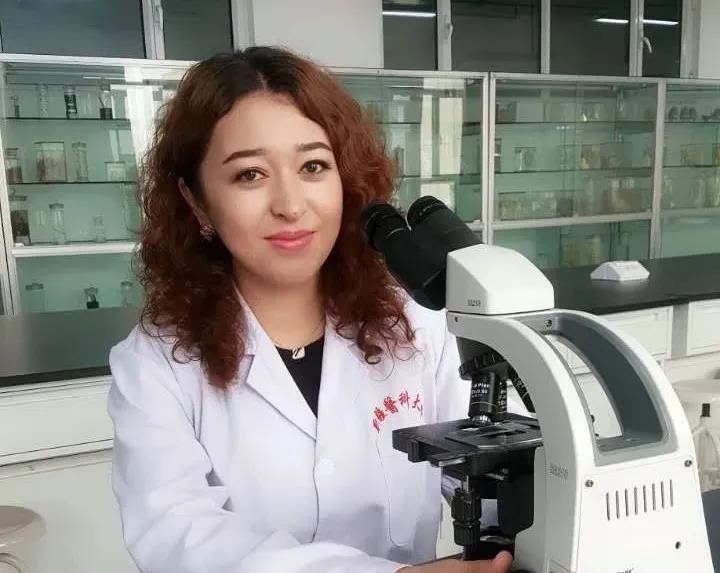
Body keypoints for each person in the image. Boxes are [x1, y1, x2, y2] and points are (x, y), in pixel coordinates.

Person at [108, 47, 515, 573]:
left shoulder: (418, 322)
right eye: (250, 175)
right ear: (197, 201)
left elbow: (487, 471)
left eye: (313, 166)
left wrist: (523, 533)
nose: (291, 205)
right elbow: (178, 536)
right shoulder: (157, 363)